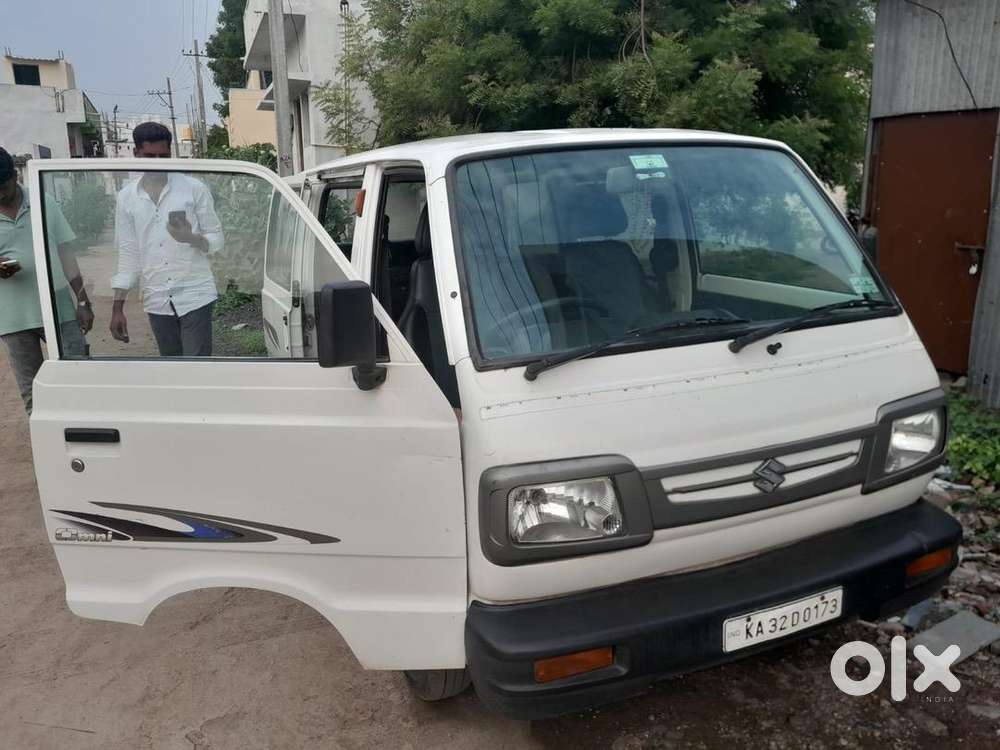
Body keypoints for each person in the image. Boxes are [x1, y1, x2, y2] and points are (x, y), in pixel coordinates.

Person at [110, 122, 223, 356]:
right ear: (136, 154)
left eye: (163, 155)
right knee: (171, 370)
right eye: (150, 156)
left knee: (197, 370)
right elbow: (129, 254)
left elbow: (216, 238)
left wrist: (191, 238)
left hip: (195, 293)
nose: (158, 161)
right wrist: (117, 307)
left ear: (171, 153)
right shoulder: (126, 198)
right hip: (157, 297)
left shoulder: (193, 188)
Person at [0, 147, 93, 413]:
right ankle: (49, 452)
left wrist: (83, 302)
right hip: (13, 319)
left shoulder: (43, 202)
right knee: (33, 393)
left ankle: (85, 442)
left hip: (58, 309)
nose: (0, 194)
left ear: (15, 175)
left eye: (3, 186)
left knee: (78, 380)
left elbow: (66, 252)